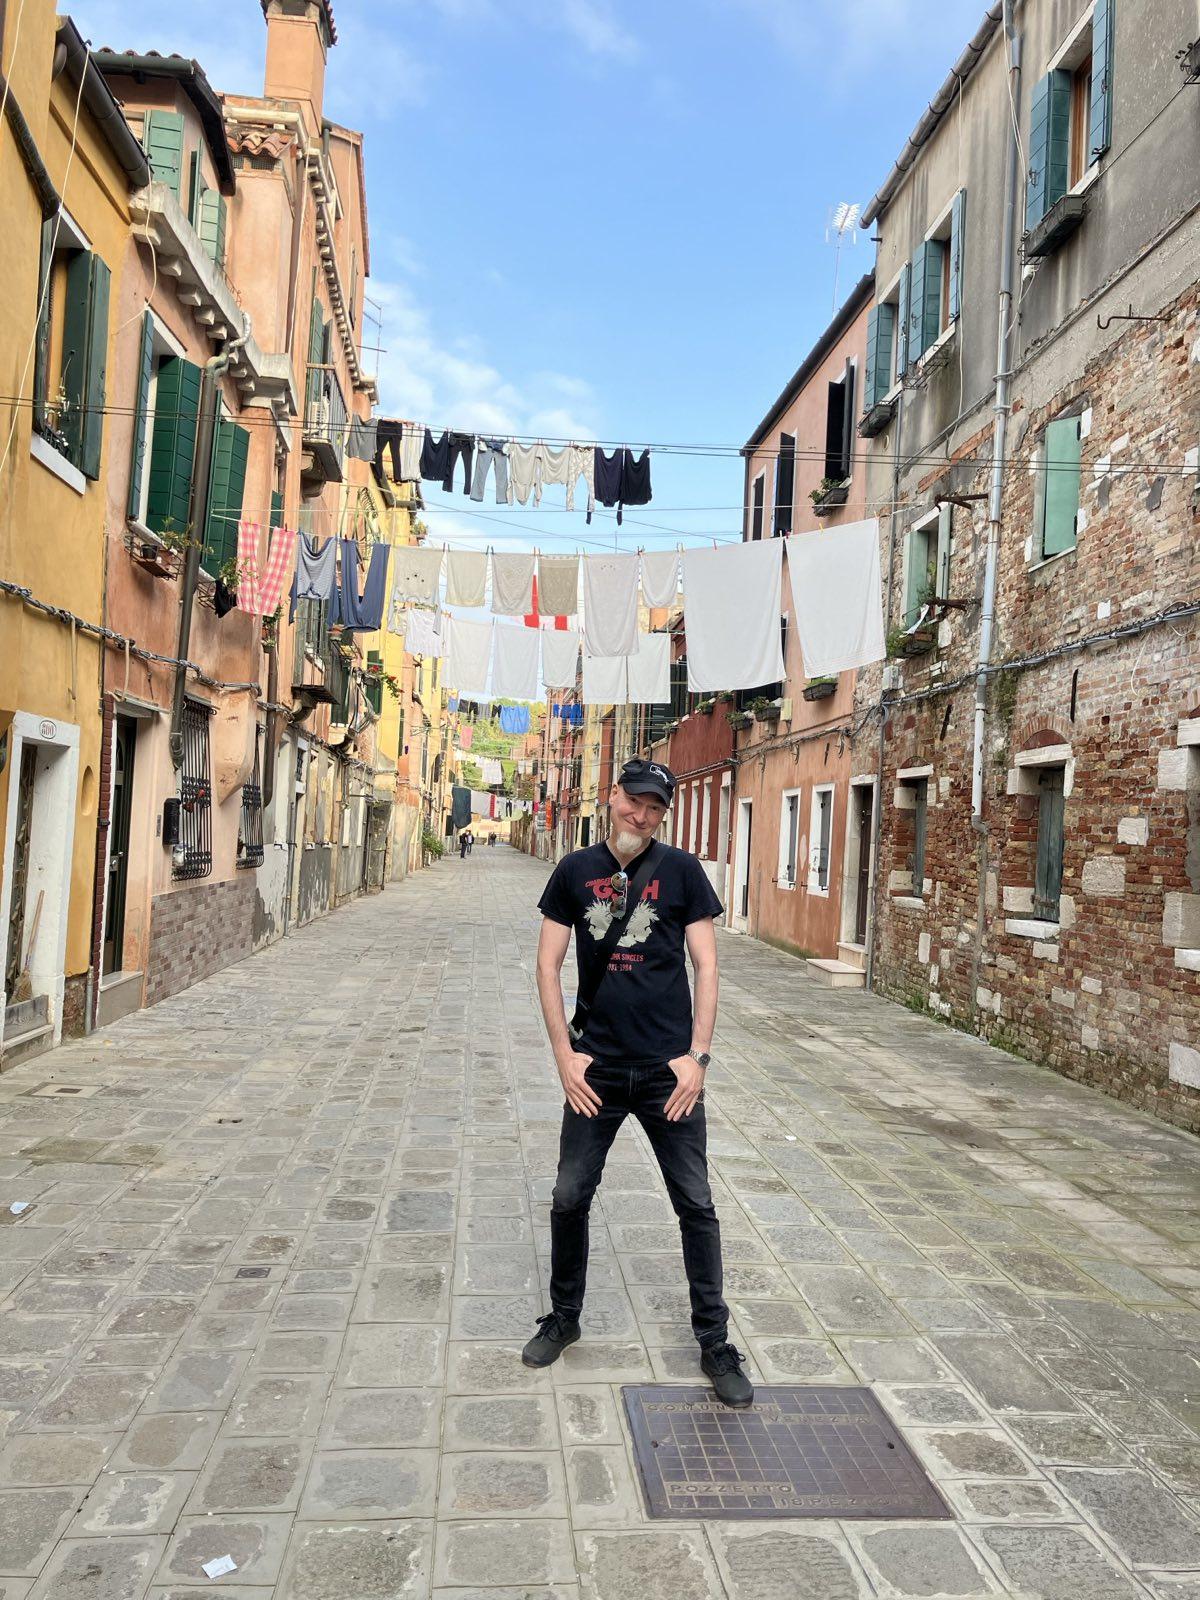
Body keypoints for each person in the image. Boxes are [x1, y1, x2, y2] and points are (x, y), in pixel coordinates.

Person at [522, 758, 752, 1408]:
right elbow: (547, 964)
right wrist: (564, 1056)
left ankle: (714, 1343)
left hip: (666, 1074)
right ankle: (564, 1317)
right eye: (635, 802)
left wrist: (697, 1057)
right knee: (570, 1195)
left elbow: (706, 966)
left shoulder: (681, 872)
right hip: (594, 1067)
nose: (642, 816)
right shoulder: (574, 871)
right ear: (612, 796)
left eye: (655, 808)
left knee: (695, 1204)